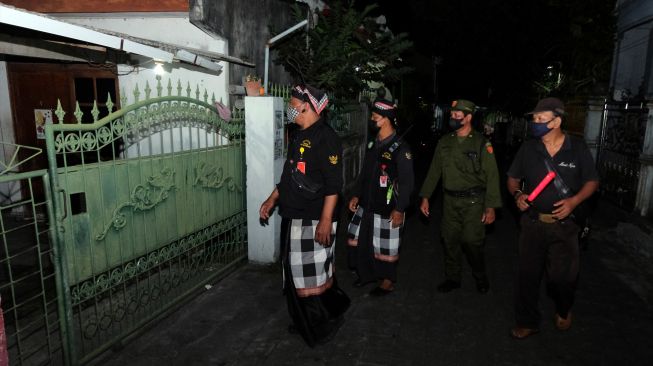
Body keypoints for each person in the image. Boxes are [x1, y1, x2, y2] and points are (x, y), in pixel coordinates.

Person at [259, 84, 349, 347]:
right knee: (294, 272)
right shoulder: (298, 135)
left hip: (313, 218)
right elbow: (290, 175)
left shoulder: (326, 137)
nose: (289, 108)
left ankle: (321, 324)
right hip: (293, 215)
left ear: (306, 106)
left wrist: (325, 220)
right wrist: (271, 199)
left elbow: (334, 185)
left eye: (292, 104)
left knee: (309, 275)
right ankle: (304, 320)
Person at [506, 97, 599, 339]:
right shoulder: (528, 148)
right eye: (534, 119)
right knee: (527, 275)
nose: (535, 123)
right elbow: (512, 178)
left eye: (540, 119)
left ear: (556, 121)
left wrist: (574, 202)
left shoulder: (576, 148)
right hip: (533, 223)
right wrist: (517, 194)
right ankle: (528, 321)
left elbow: (592, 181)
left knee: (562, 279)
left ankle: (564, 307)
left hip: (565, 227)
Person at [419, 99, 501, 294]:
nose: (453, 118)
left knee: (472, 241)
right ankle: (452, 277)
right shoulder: (445, 142)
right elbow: (434, 171)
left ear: (468, 117)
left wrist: (491, 206)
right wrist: (425, 196)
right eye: (452, 115)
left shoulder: (482, 143)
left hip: (474, 201)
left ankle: (480, 275)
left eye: (457, 115)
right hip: (449, 201)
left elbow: (492, 175)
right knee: (449, 240)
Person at [346, 99, 414, 296]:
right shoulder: (372, 143)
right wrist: (356, 194)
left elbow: (408, 183)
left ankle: (387, 281)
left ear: (386, 120)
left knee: (385, 245)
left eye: (375, 117)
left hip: (387, 206)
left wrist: (400, 209)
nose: (371, 119)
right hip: (367, 203)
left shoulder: (401, 149)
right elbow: (364, 173)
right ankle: (366, 275)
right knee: (361, 240)